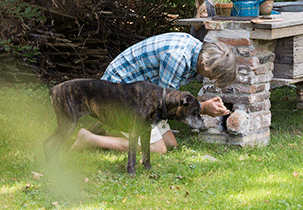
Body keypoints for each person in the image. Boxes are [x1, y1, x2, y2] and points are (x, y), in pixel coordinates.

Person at [70, 32, 236, 155]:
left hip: (137, 93)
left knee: (171, 143)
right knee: (159, 149)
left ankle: (104, 130)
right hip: (117, 95)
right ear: (204, 63)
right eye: (211, 75)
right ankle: (88, 138)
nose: (209, 78)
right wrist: (203, 107)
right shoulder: (177, 58)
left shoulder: (195, 49)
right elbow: (165, 103)